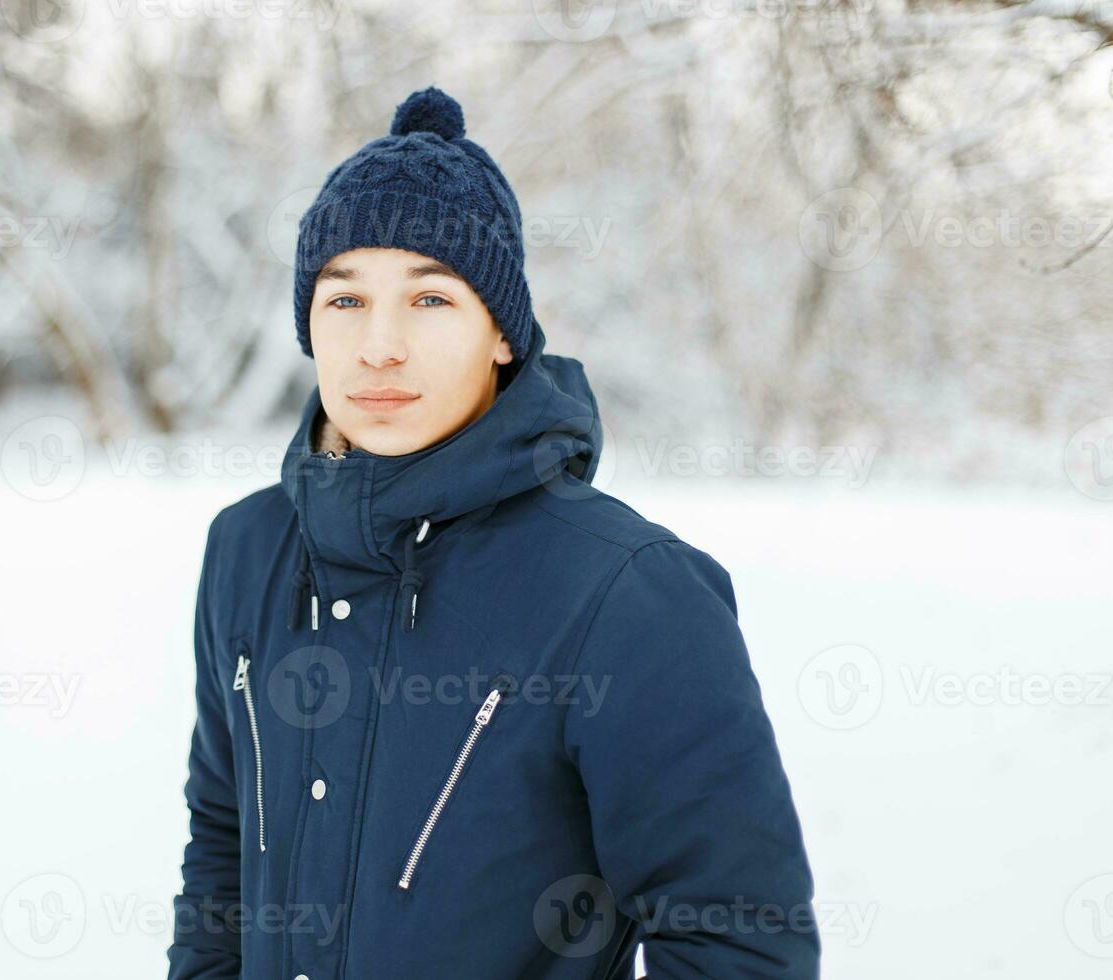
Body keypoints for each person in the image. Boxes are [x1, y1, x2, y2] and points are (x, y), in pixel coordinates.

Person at [167, 86, 819, 980]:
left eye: (431, 301)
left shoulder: (627, 592)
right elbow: (223, 843)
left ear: (502, 335)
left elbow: (738, 939)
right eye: (344, 301)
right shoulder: (246, 550)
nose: (379, 346)